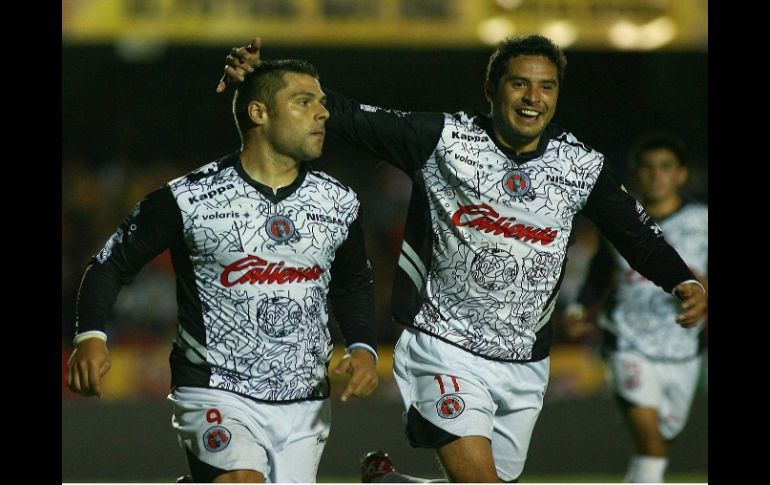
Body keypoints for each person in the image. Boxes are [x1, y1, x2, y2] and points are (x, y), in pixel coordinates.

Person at [219, 35, 707, 483]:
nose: (533, 98)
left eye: (546, 87)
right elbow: (347, 115)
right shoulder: (443, 140)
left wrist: (681, 280)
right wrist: (264, 77)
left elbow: (634, 230)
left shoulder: (580, 166)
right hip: (442, 344)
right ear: (492, 88)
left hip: (524, 360)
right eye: (519, 84)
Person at [66, 59, 380, 483]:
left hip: (306, 399)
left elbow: (353, 282)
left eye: (321, 104)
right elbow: (108, 265)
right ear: (259, 112)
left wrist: (362, 346)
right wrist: (91, 336)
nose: (322, 113)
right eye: (304, 102)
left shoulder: (339, 202)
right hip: (214, 389)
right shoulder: (186, 199)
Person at [562, 133, 707, 483]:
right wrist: (580, 308)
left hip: (683, 349)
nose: (656, 175)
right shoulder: (622, 220)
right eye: (648, 167)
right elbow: (599, 271)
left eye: (665, 167)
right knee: (651, 443)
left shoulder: (703, 221)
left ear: (681, 175)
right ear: (636, 174)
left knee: (661, 441)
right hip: (627, 342)